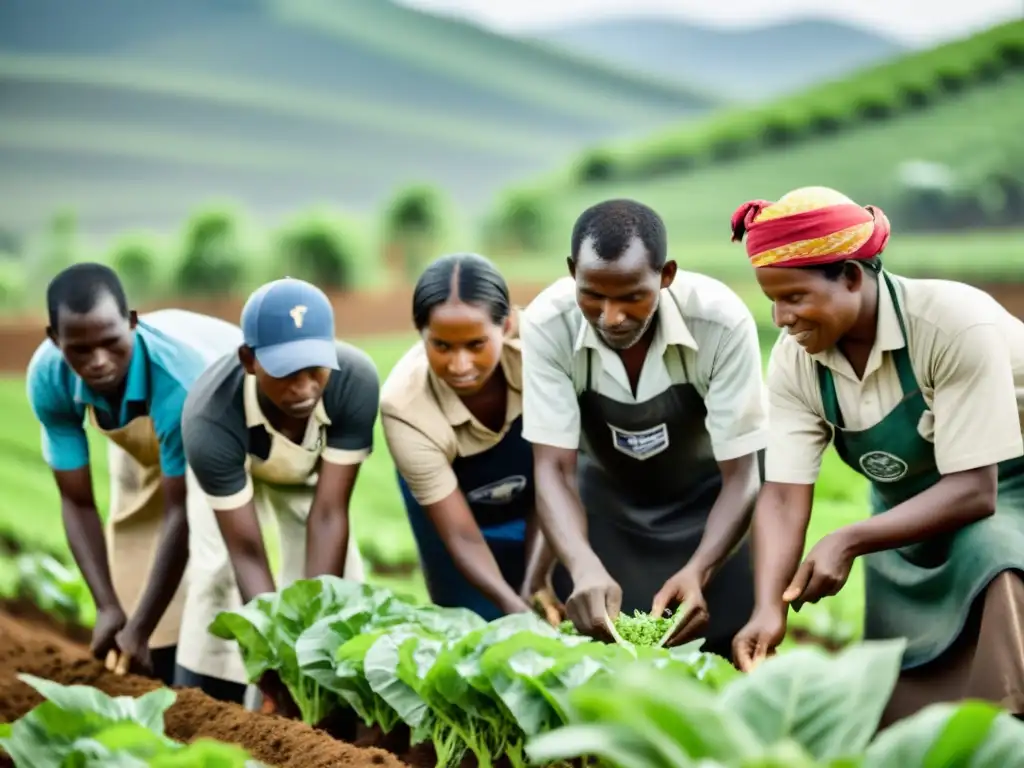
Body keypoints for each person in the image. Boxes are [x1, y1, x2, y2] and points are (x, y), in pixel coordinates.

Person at [728, 185, 1024, 726]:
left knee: (996, 558)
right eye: (772, 299)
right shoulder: (798, 362)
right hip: (907, 508)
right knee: (901, 694)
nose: (781, 317)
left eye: (794, 296)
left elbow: (976, 490)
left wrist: (848, 538)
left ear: (851, 276)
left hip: (1007, 487)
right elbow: (783, 494)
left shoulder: (950, 324)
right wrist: (768, 606)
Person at [519, 199, 767, 656]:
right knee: (603, 657)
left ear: (666, 275)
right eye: (592, 295)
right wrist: (582, 564)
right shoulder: (547, 324)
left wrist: (700, 569)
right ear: (573, 271)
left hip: (714, 505)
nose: (611, 316)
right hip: (611, 503)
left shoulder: (719, 322)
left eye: (633, 296)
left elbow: (743, 473)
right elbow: (553, 469)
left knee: (722, 654)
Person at [26, 262, 243, 686]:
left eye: (111, 343)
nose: (99, 362)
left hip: (225, 409)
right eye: (80, 350)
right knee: (132, 533)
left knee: (214, 550)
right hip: (144, 422)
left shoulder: (181, 381)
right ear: (55, 340)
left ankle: (219, 680)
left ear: (132, 323)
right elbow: (76, 500)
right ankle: (155, 661)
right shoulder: (48, 377)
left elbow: (181, 510)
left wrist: (139, 627)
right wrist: (108, 607)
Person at [180, 277, 377, 707]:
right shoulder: (209, 418)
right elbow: (248, 551)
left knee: (340, 582)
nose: (305, 388)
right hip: (234, 466)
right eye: (286, 372)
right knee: (217, 574)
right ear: (249, 360)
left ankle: (334, 700)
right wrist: (274, 657)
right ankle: (210, 698)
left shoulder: (354, 382)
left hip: (307, 476)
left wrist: (310, 647)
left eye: (315, 368)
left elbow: (328, 514)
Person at [380, 253, 565, 623]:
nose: (460, 365)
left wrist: (535, 583)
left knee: (565, 600)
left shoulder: (544, 357)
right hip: (453, 515)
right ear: (421, 335)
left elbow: (555, 480)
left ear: (508, 324)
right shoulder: (404, 405)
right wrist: (515, 610)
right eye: (442, 346)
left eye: (476, 345)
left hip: (543, 489)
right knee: (474, 624)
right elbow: (462, 537)